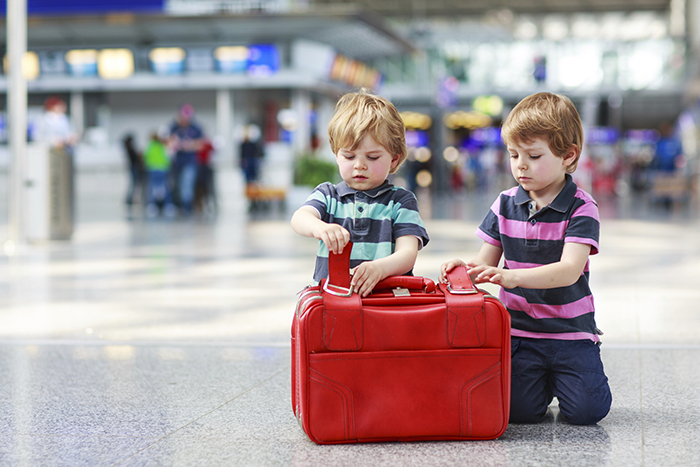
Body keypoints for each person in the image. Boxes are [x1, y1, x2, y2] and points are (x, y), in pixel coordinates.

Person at [440, 92, 612, 425]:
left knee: (587, 412)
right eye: (513, 154)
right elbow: (485, 265)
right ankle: (542, 381)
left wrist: (514, 277)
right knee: (518, 413)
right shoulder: (504, 204)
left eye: (533, 155)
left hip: (570, 333)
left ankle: (569, 375)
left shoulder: (581, 206)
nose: (520, 164)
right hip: (520, 333)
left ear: (568, 156)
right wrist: (463, 271)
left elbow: (569, 270)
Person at [291, 89, 429, 297]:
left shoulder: (401, 201)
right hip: (334, 303)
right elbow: (300, 218)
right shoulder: (328, 195)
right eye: (349, 156)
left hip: (386, 304)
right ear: (336, 155)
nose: (359, 165)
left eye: (372, 157)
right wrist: (320, 228)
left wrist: (380, 269)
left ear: (393, 159)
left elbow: (407, 253)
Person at [169, 104, 204, 215]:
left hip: (190, 161)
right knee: (177, 185)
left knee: (187, 184)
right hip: (177, 162)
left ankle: (187, 207)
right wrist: (175, 143)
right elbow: (168, 142)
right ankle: (179, 205)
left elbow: (202, 144)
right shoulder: (174, 127)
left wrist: (190, 145)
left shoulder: (196, 128)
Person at [143, 130, 176, 218]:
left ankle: (152, 205)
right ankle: (168, 205)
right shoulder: (163, 146)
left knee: (153, 187)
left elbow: (146, 155)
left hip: (153, 168)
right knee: (165, 186)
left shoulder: (150, 145)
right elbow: (168, 157)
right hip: (163, 169)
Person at [122, 133, 146, 212]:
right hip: (134, 168)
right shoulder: (130, 149)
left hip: (133, 168)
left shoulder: (127, 148)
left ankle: (130, 199)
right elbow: (135, 159)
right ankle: (129, 200)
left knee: (133, 184)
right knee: (133, 184)